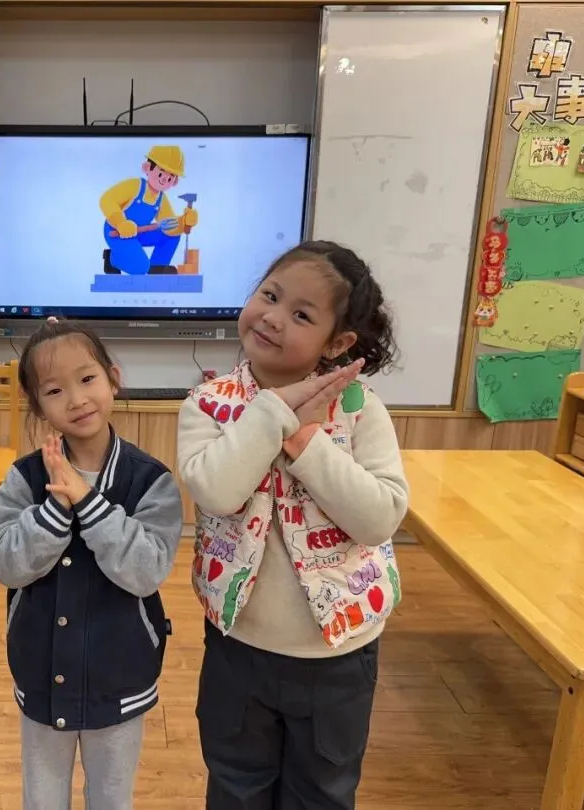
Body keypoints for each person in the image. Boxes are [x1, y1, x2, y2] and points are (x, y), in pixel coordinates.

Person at [177, 241, 409, 810]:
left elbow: (381, 516)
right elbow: (216, 490)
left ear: (337, 343)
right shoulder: (208, 404)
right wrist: (274, 414)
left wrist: (304, 440)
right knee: (236, 786)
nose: (273, 318)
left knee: (322, 793)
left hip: (339, 653)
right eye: (270, 295)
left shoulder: (359, 409)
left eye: (302, 315)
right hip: (239, 646)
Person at [0, 318, 184, 810]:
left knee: (111, 799)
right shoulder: (24, 478)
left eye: (87, 378)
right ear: (38, 405)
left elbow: (146, 571)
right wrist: (57, 507)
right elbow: (5, 564)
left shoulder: (151, 480)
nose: (75, 399)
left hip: (121, 678)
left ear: (113, 379)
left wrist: (88, 502)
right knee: (42, 800)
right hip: (41, 672)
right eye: (55, 390)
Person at [99, 145, 199, 275]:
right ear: (147, 168)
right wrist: (120, 223)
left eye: (170, 177)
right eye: (161, 173)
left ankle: (157, 267)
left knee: (172, 235)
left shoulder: (161, 198)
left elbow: (169, 224)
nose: (164, 179)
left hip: (139, 233)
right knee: (140, 268)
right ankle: (112, 259)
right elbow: (107, 199)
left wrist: (183, 222)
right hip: (117, 232)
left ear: (174, 182)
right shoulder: (135, 186)